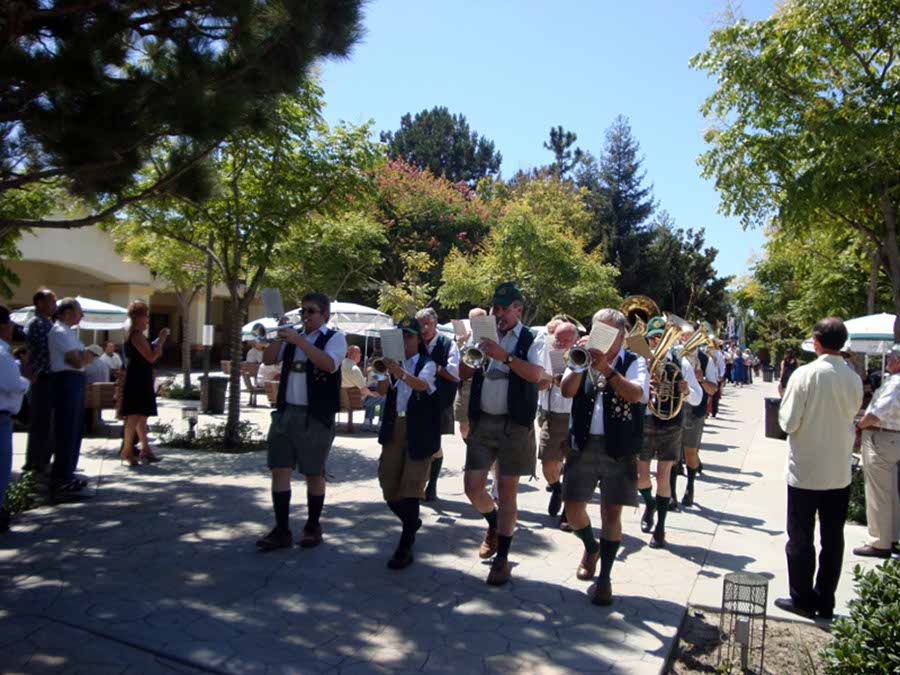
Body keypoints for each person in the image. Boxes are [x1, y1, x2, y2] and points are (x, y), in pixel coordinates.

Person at [560, 308, 649, 605]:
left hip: (619, 447)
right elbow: (566, 390)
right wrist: (583, 362)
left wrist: (608, 370)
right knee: (573, 512)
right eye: (597, 330)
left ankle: (605, 579)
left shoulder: (635, 362)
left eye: (608, 333)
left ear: (622, 336)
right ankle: (590, 546)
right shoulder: (582, 357)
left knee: (611, 513)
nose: (602, 338)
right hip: (583, 444)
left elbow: (637, 394)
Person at [460, 282, 546, 586]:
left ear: (518, 309)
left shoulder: (533, 338)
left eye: (502, 308)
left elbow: (539, 376)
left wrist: (504, 356)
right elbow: (463, 372)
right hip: (483, 422)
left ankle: (503, 557)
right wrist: (475, 351)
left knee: (508, 492)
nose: (497, 313)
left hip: (514, 425)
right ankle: (493, 523)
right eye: (494, 308)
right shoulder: (485, 332)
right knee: (472, 487)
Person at [776, 317, 863, 620]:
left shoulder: (805, 374)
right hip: (839, 471)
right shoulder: (853, 377)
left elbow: (788, 422)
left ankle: (802, 597)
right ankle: (826, 599)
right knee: (833, 538)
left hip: (806, 471)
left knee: (800, 537)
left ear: (816, 341)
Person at [257, 292, 346, 551]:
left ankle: (312, 525)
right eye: (303, 312)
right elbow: (269, 358)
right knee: (279, 468)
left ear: (325, 315)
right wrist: (280, 333)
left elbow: (329, 364)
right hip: (286, 412)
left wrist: (300, 340)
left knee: (313, 472)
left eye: (311, 311)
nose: (305, 316)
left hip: (315, 415)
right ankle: (282, 529)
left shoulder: (334, 338)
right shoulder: (293, 335)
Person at [375, 317, 440, 569]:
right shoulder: (393, 364)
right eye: (401, 335)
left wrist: (398, 372)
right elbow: (382, 392)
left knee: (411, 488)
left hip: (418, 431)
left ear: (418, 339)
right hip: (395, 428)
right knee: (388, 485)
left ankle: (405, 545)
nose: (405, 340)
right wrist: (382, 372)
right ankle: (411, 523)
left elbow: (421, 385)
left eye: (409, 336)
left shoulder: (428, 363)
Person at [637, 316, 702, 548]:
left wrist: (685, 391)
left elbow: (698, 397)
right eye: (653, 338)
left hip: (671, 422)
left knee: (664, 475)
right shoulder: (640, 362)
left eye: (660, 337)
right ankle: (650, 504)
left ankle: (661, 528)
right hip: (645, 421)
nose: (656, 342)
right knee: (641, 477)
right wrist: (646, 386)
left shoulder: (680, 363)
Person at [853, 346, 900, 558]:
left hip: (882, 437)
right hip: (890, 438)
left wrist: (860, 425)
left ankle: (880, 542)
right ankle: (892, 537)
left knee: (878, 492)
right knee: (889, 492)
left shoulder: (896, 383)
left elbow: (878, 412)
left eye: (891, 356)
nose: (888, 359)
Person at [416, 307, 460, 502]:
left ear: (435, 323)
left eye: (427, 323)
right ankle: (417, 484)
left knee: (434, 445)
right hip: (415, 399)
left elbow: (454, 374)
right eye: (420, 324)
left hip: (438, 400)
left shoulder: (448, 344)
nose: (423, 328)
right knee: (415, 441)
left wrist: (434, 367)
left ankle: (431, 484)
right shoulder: (414, 342)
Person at [48, 297, 88, 499]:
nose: (82, 315)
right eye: (78, 311)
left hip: (75, 381)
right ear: (66, 313)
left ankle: (68, 474)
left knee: (75, 429)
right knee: (66, 429)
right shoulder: (60, 331)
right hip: (66, 381)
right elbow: (77, 361)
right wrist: (88, 355)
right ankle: (61, 478)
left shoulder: (70, 333)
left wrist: (84, 356)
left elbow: (80, 359)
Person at [120, 301, 170, 465]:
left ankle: (145, 449)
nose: (148, 320)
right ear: (139, 316)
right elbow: (150, 357)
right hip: (137, 379)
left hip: (140, 377)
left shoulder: (136, 334)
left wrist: (156, 342)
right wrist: (161, 341)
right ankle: (127, 450)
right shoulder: (136, 335)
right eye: (146, 316)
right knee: (134, 415)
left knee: (141, 416)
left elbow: (147, 350)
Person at [538, 320, 578, 526]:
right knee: (547, 463)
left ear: (575, 340)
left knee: (573, 466)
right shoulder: (548, 352)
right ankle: (557, 489)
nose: (561, 343)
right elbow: (540, 384)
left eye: (566, 340)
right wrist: (547, 377)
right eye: (558, 339)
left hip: (575, 416)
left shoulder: (582, 356)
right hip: (552, 415)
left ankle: (568, 513)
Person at [0, 306, 32, 532]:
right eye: (10, 323)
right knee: (2, 468)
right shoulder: (2, 353)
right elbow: (12, 384)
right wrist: (26, 382)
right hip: (2, 416)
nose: (12, 327)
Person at [681, 331, 719, 508]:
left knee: (690, 453)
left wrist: (701, 379)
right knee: (672, 456)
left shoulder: (706, 360)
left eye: (689, 336)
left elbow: (712, 389)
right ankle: (671, 494)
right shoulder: (675, 355)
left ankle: (690, 486)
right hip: (675, 409)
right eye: (683, 336)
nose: (685, 339)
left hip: (695, 411)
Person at [23, 289, 56, 474]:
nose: (54, 305)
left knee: (47, 422)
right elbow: (49, 349)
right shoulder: (37, 324)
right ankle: (36, 462)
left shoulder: (47, 323)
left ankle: (42, 459)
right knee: (41, 422)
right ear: (40, 303)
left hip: (49, 377)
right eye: (51, 301)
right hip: (42, 377)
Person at [453, 307, 487, 440]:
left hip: (483, 384)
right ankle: (471, 447)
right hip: (465, 385)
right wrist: (460, 343)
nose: (476, 323)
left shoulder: (491, 335)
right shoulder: (467, 337)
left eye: (480, 319)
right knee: (463, 425)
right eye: (473, 320)